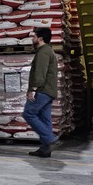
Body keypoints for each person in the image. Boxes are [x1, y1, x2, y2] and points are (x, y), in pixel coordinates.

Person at [23, 28, 58, 158]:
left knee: (28, 113)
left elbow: (40, 73)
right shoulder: (47, 51)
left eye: (34, 37)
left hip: (42, 90)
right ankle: (45, 149)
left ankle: (50, 139)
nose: (32, 39)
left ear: (40, 38)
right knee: (45, 118)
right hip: (48, 90)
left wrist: (33, 89)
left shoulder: (43, 52)